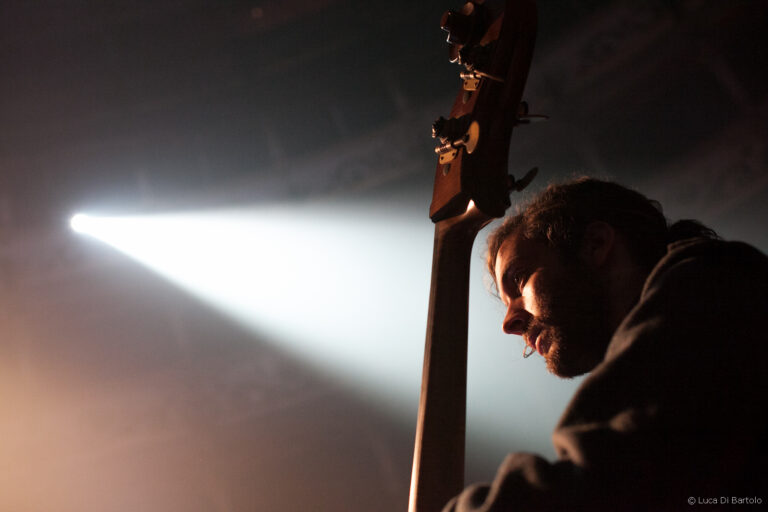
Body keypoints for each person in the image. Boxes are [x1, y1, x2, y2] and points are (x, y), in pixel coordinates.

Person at [444, 178, 768, 511]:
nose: (508, 323)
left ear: (596, 244)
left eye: (520, 279)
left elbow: (600, 485)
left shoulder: (713, 291)